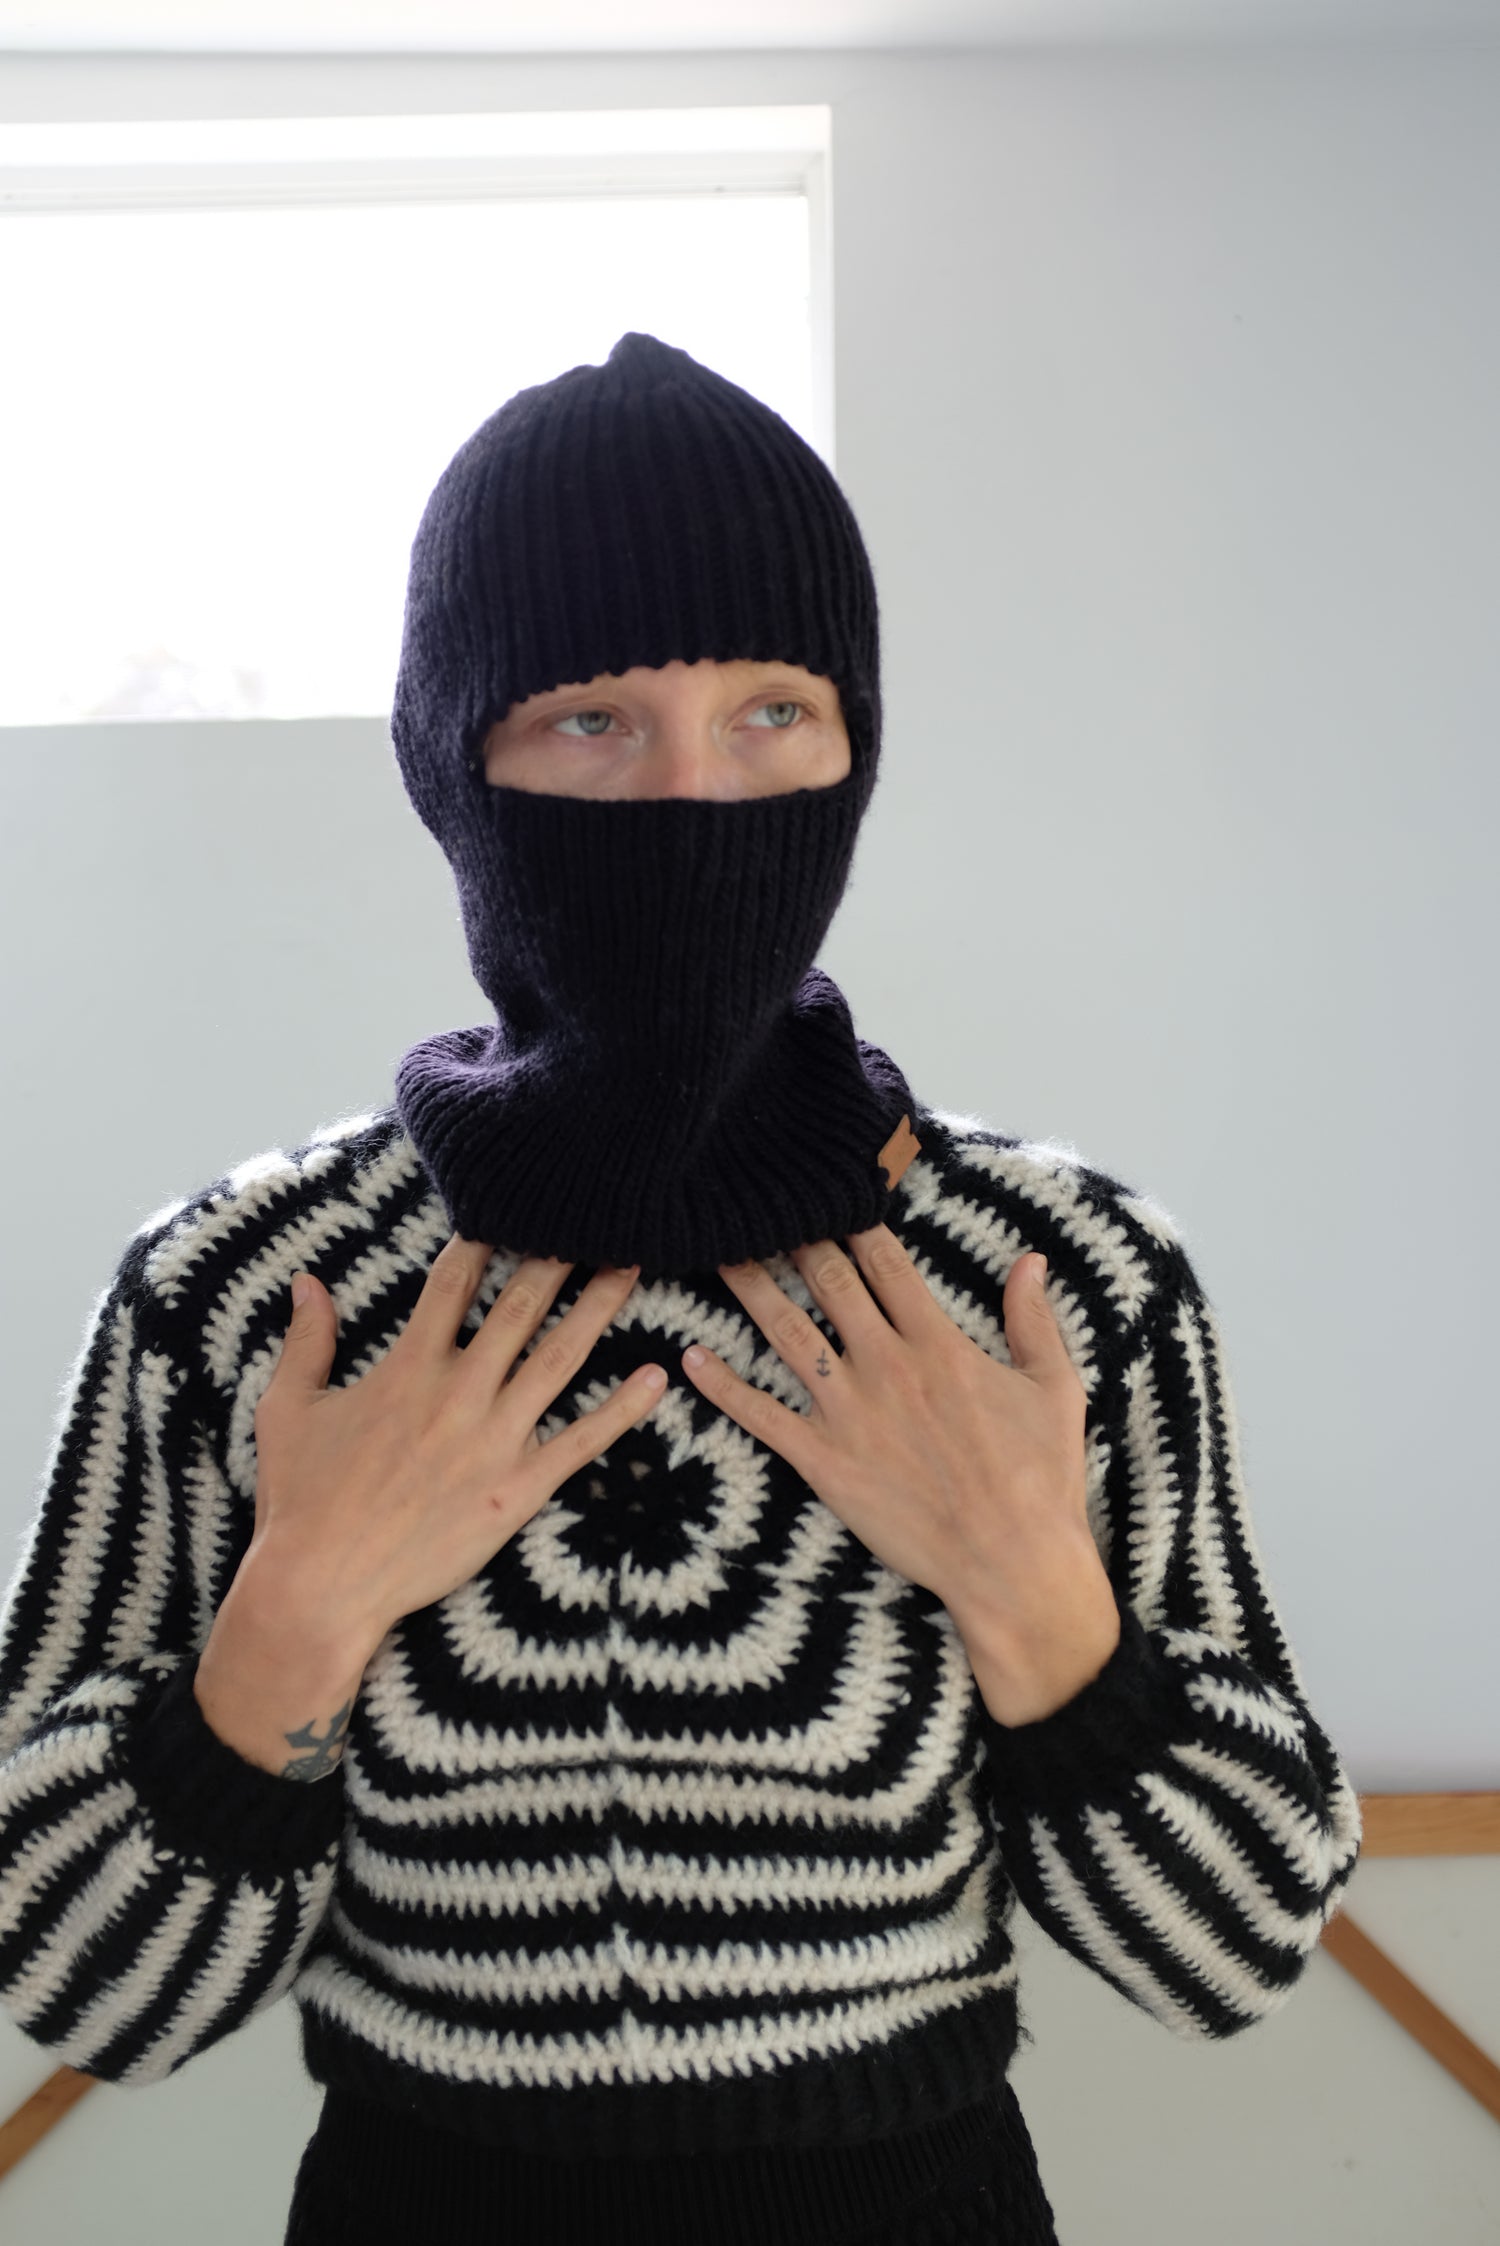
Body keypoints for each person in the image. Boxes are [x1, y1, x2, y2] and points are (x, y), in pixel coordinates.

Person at [0, 333, 1362, 2246]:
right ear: (451, 760)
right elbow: (78, 1986)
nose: (693, 794)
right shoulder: (240, 1291)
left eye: (773, 711)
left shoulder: (1061, 1279)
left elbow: (1240, 1944)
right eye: (590, 720)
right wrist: (298, 1611)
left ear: (855, 747)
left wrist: (1032, 1589)